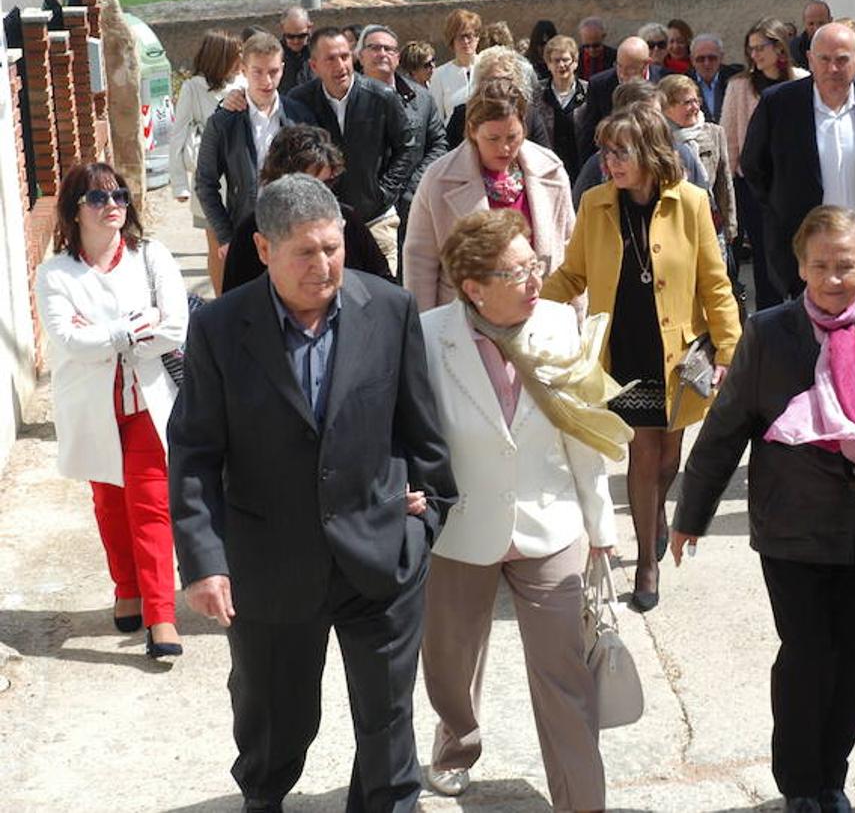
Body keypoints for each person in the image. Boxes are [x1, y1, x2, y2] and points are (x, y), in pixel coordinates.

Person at [170, 173, 457, 813]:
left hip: (379, 559)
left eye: (332, 247)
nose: (324, 265)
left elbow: (422, 431)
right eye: (305, 251)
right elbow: (193, 451)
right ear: (266, 250)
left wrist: (425, 518)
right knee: (276, 726)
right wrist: (204, 561)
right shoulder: (220, 328)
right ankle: (264, 797)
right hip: (270, 568)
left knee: (387, 732)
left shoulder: (388, 309)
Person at [673, 205, 855, 813]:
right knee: (805, 655)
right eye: (819, 265)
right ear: (799, 267)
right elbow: (726, 429)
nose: (832, 279)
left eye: (845, 265)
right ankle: (799, 785)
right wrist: (691, 515)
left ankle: (832, 779)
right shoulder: (770, 331)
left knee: (852, 658)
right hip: (790, 526)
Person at [419, 207, 627, 810]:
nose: (536, 280)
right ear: (474, 287)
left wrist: (600, 527)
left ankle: (582, 801)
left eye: (535, 263)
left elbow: (585, 434)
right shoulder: (431, 337)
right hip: (460, 528)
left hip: (550, 521)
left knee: (565, 678)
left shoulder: (562, 324)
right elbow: (413, 436)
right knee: (449, 668)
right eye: (518, 272)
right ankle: (457, 740)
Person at [541, 104, 741, 613]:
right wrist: (524, 305)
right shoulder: (595, 204)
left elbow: (714, 283)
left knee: (669, 458)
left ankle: (651, 519)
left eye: (621, 151)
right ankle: (648, 563)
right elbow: (573, 275)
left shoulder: (691, 203)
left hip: (678, 351)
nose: (610, 161)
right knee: (643, 453)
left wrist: (729, 348)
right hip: (625, 348)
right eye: (605, 151)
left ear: (651, 151)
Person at [36, 163, 190, 659]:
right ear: (74, 210)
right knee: (108, 502)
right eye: (99, 199)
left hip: (147, 402)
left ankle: (161, 615)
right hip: (93, 407)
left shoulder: (152, 257)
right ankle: (127, 587)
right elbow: (69, 340)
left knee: (150, 504)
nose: (113, 206)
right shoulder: (55, 272)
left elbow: (176, 329)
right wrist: (132, 327)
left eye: (120, 196)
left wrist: (106, 332)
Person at [742, 22, 855, 302]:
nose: (833, 68)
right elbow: (754, 166)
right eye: (824, 59)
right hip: (805, 251)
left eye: (842, 59)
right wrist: (781, 206)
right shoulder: (780, 103)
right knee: (809, 338)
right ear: (809, 59)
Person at [405, 79, 574, 313]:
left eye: (512, 137)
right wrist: (423, 331)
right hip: (465, 322)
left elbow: (571, 250)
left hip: (541, 314)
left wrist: (576, 318)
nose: (504, 148)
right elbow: (420, 262)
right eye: (493, 139)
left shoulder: (551, 170)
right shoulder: (439, 179)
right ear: (473, 130)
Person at [288, 26, 417, 273]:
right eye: (331, 59)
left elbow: (407, 147)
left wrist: (383, 191)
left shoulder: (382, 97)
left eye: (345, 56)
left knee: (382, 296)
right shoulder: (298, 102)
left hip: (376, 221)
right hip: (321, 224)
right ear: (314, 66)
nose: (341, 65)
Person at [197, 32, 314, 288]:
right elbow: (205, 183)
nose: (266, 80)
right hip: (244, 234)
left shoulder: (300, 116)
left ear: (282, 69)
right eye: (257, 72)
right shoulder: (223, 122)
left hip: (292, 231)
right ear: (242, 70)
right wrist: (226, 237)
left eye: (273, 72)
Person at [221, 124, 392, 292]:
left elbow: (383, 284)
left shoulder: (347, 219)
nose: (317, 194)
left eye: (326, 183)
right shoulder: (251, 230)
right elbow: (233, 306)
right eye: (307, 185)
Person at [721, 18, 808, 311]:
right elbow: (729, 139)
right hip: (754, 186)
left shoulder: (803, 80)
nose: (755, 55)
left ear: (780, 47)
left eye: (761, 48)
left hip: (797, 184)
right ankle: (771, 319)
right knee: (765, 255)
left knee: (801, 251)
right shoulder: (740, 86)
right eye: (751, 49)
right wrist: (729, 190)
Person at [358, 24, 450, 274]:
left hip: (414, 204)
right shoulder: (349, 100)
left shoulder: (422, 99)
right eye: (374, 48)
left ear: (398, 58)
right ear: (361, 56)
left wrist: (413, 186)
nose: (382, 54)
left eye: (388, 49)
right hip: (369, 210)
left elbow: (438, 144)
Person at [169, 29, 242, 296]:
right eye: (236, 55)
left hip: (239, 177)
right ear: (221, 57)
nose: (241, 60)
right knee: (217, 246)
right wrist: (179, 185)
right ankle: (223, 301)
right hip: (209, 178)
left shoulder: (244, 84)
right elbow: (178, 134)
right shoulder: (192, 88)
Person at [570, 81, 710, 209]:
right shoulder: (597, 167)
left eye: (658, 114)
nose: (656, 122)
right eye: (647, 117)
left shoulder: (682, 154)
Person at [659, 73, 737, 257]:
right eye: (686, 103)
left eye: (696, 101)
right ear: (667, 108)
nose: (694, 107)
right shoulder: (658, 139)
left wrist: (730, 226)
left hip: (711, 225)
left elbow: (724, 184)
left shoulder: (714, 133)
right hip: (674, 230)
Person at [576, 35, 668, 161]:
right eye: (619, 66)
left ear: (647, 64)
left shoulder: (665, 81)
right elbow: (589, 134)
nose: (622, 74)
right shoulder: (600, 84)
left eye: (630, 68)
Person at [444, 46, 550, 150]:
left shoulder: (529, 114)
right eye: (493, 80)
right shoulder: (463, 114)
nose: (500, 85)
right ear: (481, 82)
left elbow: (543, 158)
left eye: (506, 79)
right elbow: (448, 156)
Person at [534, 34, 589, 180]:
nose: (561, 65)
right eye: (555, 60)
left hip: (581, 168)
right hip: (546, 169)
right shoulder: (537, 94)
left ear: (575, 62)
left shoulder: (589, 92)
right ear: (548, 64)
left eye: (565, 60)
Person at [429, 8, 482, 124]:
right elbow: (436, 118)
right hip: (454, 140)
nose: (466, 41)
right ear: (452, 40)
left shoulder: (489, 67)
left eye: (469, 36)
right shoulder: (439, 75)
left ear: (477, 38)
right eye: (460, 37)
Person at [689, 33, 743, 124]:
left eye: (712, 58)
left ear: (721, 57)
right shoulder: (684, 83)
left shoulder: (736, 80)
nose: (707, 63)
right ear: (692, 60)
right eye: (700, 59)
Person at [277, 6, 315, 94]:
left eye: (301, 36)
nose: (296, 41)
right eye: (290, 36)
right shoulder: (274, 54)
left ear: (309, 27)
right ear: (282, 28)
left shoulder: (319, 50)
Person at [788, 0, 831, 69]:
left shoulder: (839, 46)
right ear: (804, 23)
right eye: (811, 24)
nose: (816, 28)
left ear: (830, 21)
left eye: (821, 23)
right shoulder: (794, 48)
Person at [577, 15, 617, 81]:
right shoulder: (575, 57)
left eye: (596, 46)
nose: (591, 50)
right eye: (586, 46)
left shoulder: (615, 57)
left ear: (603, 37)